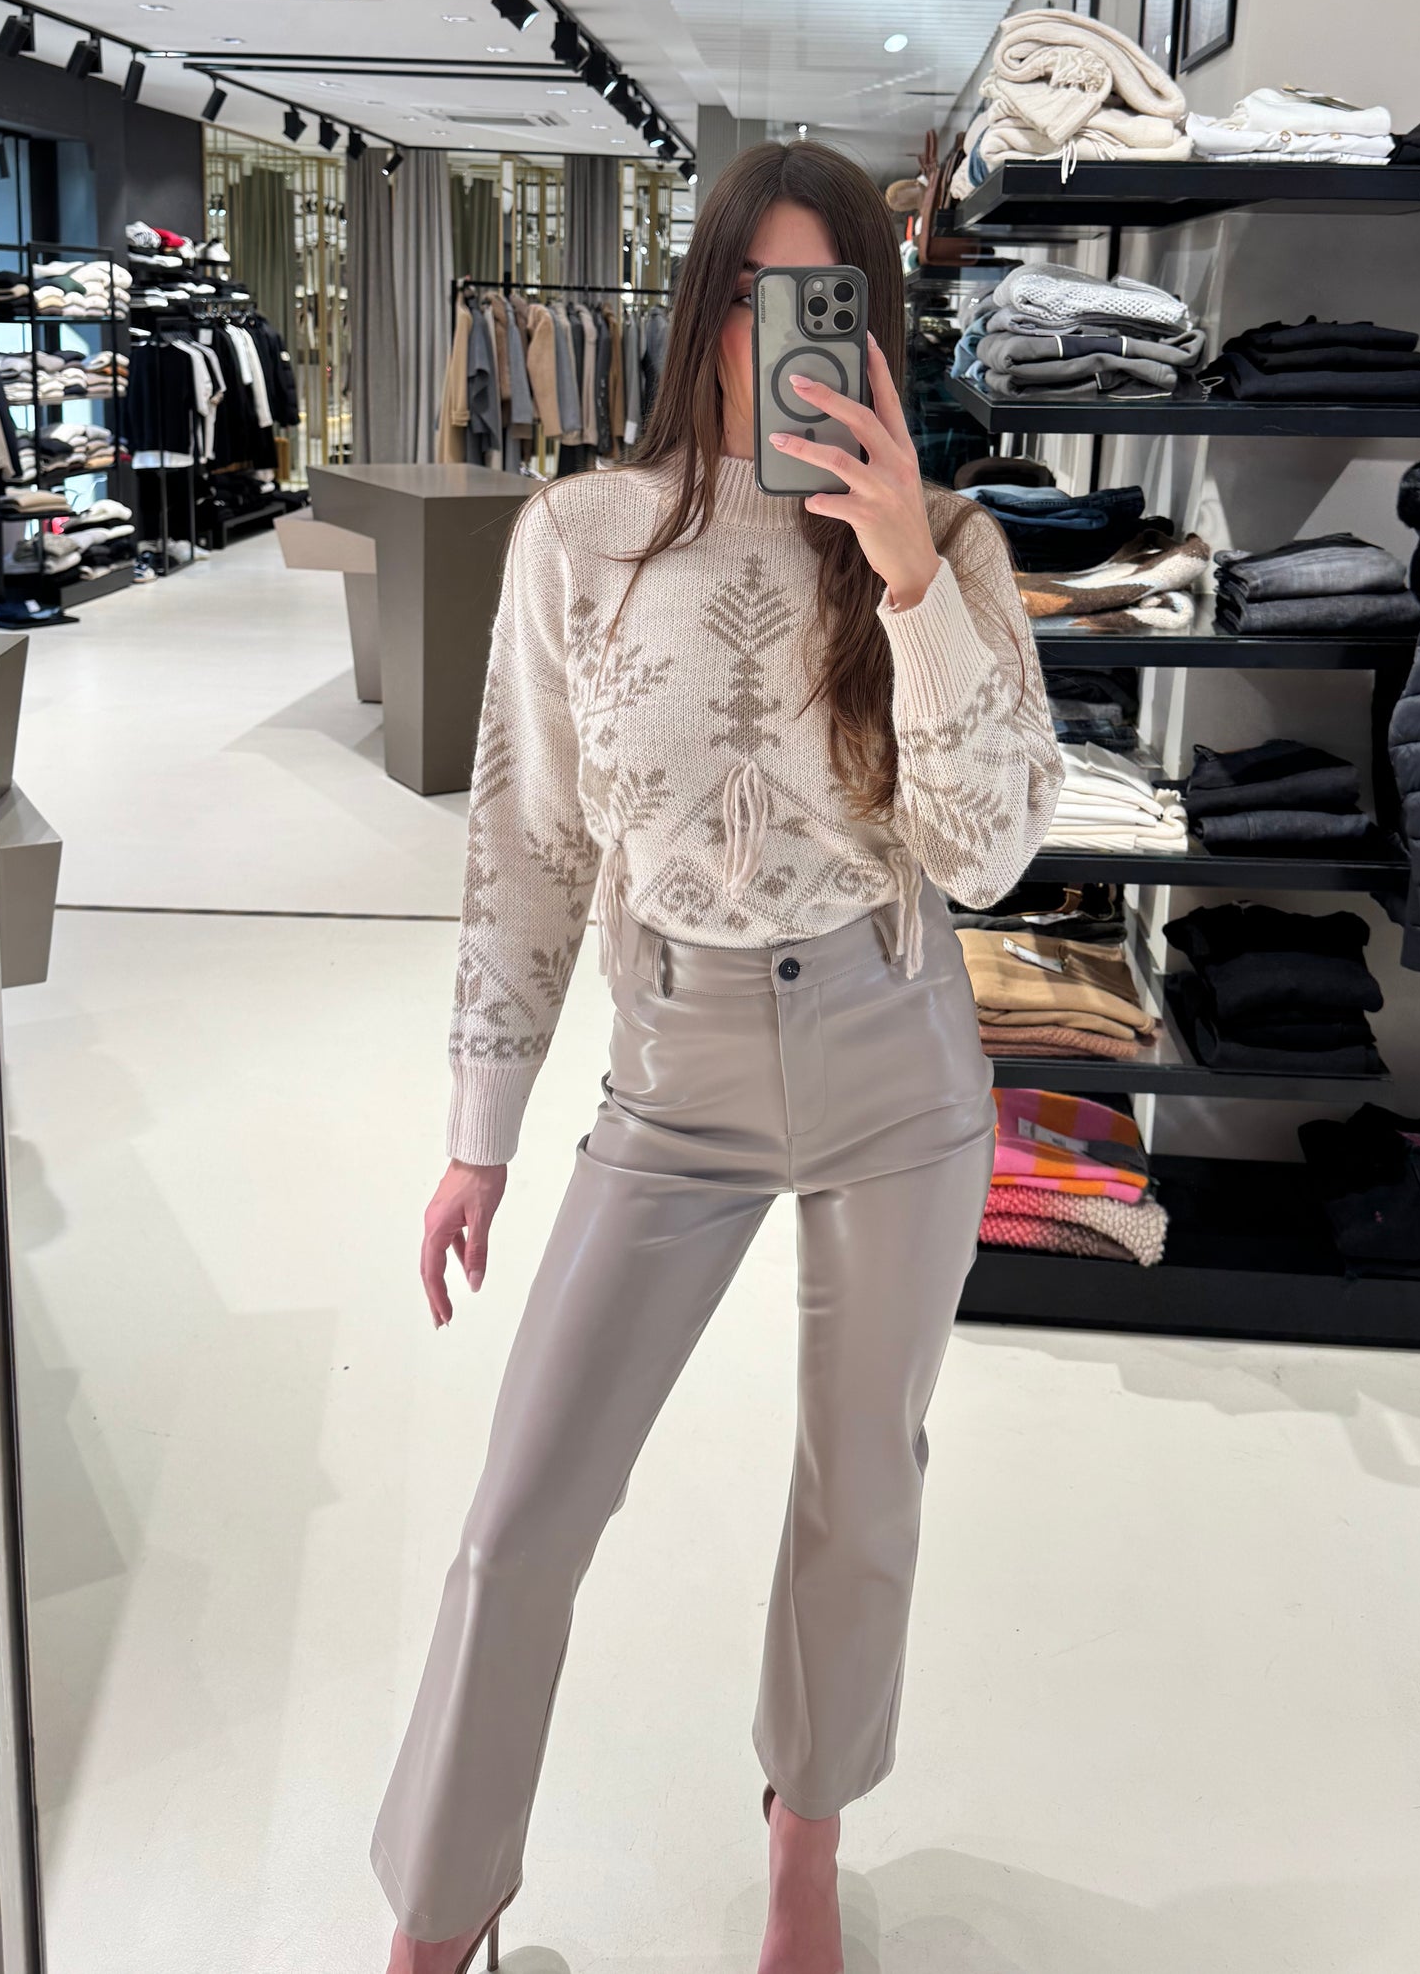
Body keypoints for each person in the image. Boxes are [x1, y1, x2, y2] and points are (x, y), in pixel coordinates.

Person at [376, 141, 1063, 1974]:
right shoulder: (580, 537)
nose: (785, 346)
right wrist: (480, 1129)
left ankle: (804, 1847)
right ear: (705, 313)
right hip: (669, 1069)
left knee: (860, 1491)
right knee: (522, 1515)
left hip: (893, 1056)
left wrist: (907, 577)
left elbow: (990, 855)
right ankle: (439, 1912)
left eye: (822, 305)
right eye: (758, 302)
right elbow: (529, 840)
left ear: (875, 328)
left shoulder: (953, 545)